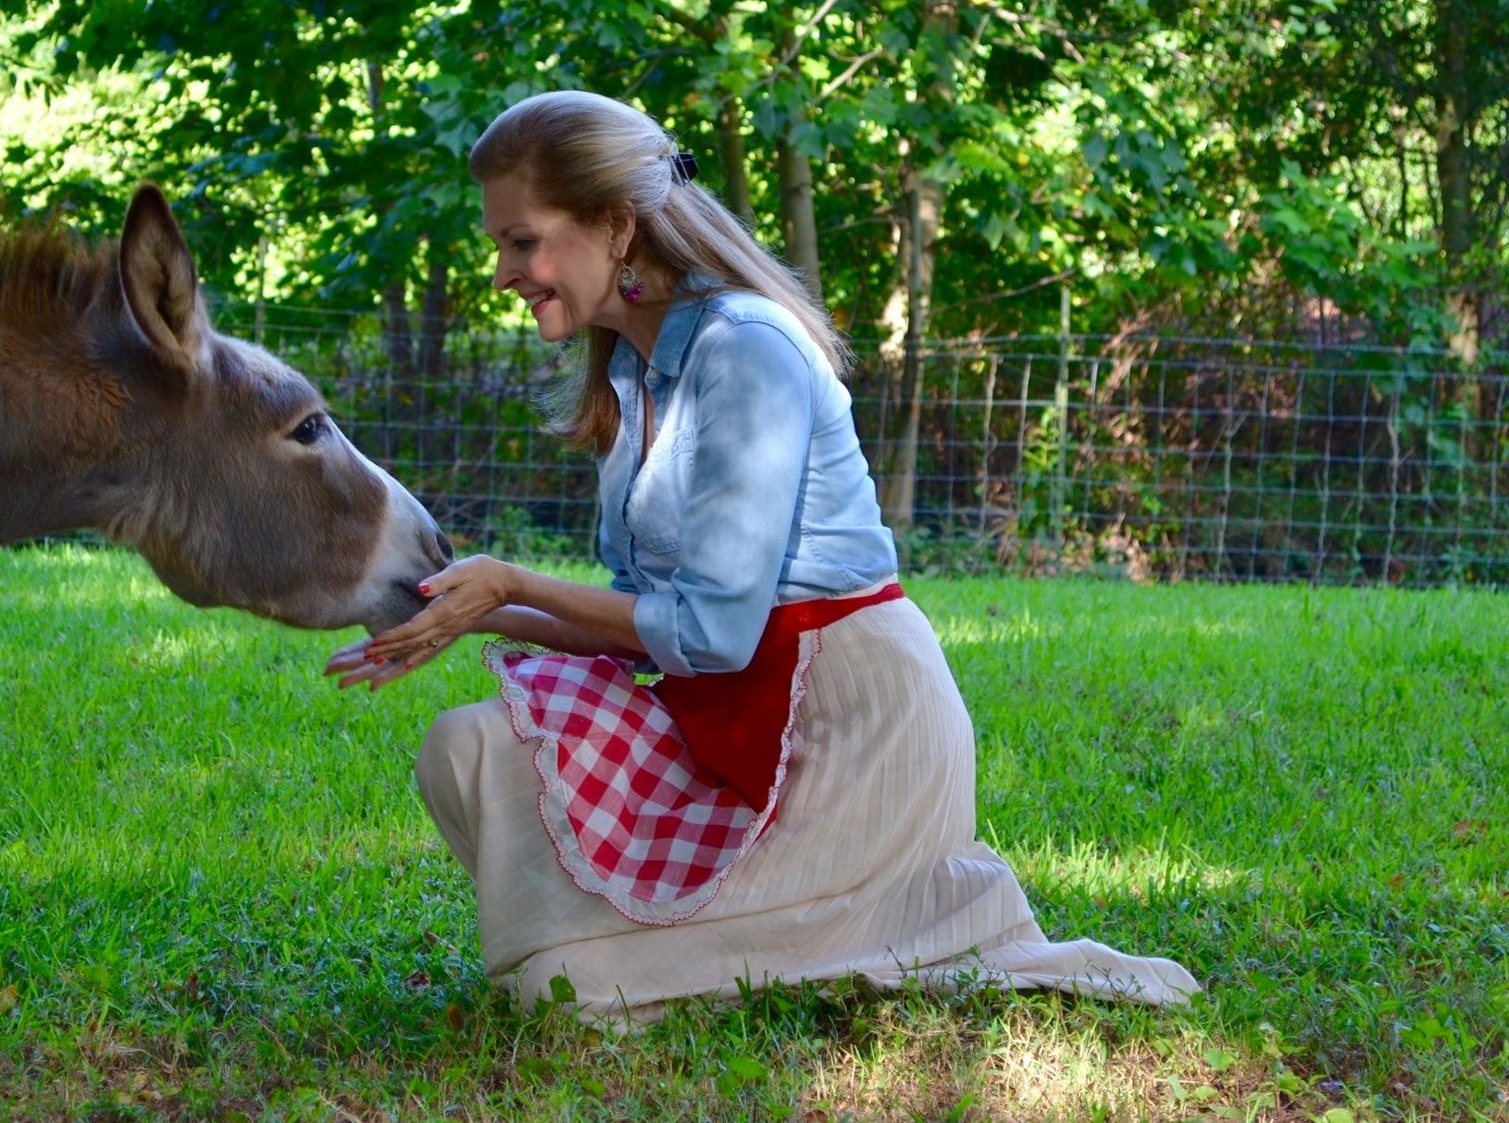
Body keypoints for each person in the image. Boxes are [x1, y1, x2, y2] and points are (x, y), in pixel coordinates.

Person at [324, 90, 1197, 1023]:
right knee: (465, 747)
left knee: (566, 994)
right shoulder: (632, 371)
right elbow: (647, 626)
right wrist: (472, 609)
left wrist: (513, 579)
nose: (502, 270)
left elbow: (712, 631)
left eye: (522, 240)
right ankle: (630, 951)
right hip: (725, 721)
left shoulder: (745, 350)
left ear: (617, 225)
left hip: (848, 731)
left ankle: (909, 915)